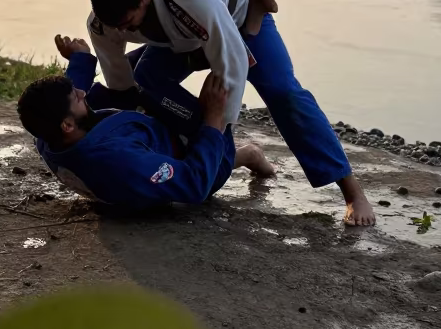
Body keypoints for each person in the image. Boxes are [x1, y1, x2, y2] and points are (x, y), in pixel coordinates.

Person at [86, 0, 375, 227]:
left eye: (127, 24)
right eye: (114, 27)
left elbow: (234, 65)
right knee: (145, 80)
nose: (120, 33)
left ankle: (352, 192)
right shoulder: (104, 22)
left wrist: (217, 131)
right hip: (186, 35)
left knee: (283, 93)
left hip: (231, 11)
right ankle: (238, 151)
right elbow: (121, 84)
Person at [16, 35, 274, 208]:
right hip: (200, 167)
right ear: (67, 125)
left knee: (125, 73)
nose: (82, 93)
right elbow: (194, 185)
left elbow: (65, 98)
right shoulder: (118, 160)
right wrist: (213, 121)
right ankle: (225, 41)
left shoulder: (49, 135)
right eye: (76, 98)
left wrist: (80, 58)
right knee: (149, 74)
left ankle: (247, 154)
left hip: (150, 144)